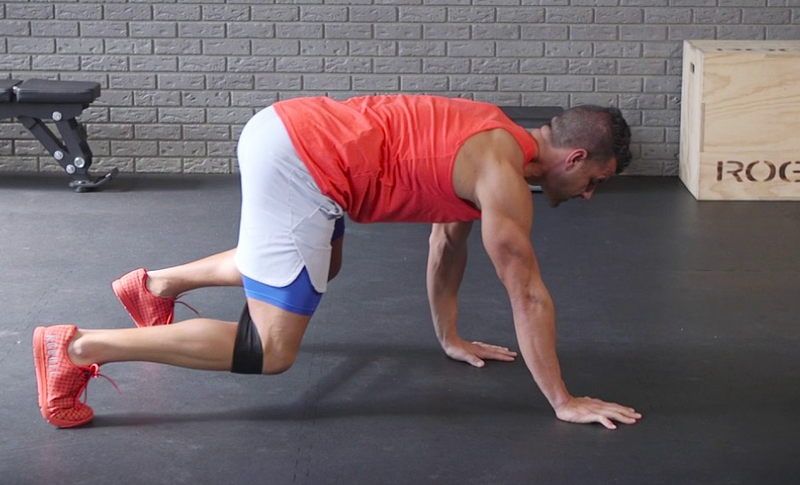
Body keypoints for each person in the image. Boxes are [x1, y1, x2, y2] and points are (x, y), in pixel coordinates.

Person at [32, 94, 641, 430]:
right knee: (270, 350)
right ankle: (78, 347)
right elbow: (526, 292)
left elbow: (446, 243)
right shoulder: (502, 177)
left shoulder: (494, 137)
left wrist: (450, 336)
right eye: (596, 180)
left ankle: (158, 284)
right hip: (305, 164)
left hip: (289, 129)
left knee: (316, 262)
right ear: (577, 155)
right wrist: (563, 400)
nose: (590, 193)